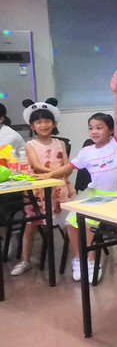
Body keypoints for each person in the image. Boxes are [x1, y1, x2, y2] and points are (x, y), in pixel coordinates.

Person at [39, 72, 117, 282]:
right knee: (71, 221)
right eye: (91, 128)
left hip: (115, 196)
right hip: (94, 194)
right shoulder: (87, 151)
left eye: (99, 128)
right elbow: (68, 168)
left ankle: (92, 260)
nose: (94, 132)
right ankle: (79, 258)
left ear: (111, 131)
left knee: (87, 223)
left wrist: (115, 92)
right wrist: (48, 174)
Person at [11, 100, 76, 276]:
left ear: (54, 124)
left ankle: (77, 258)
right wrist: (58, 172)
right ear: (32, 125)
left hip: (60, 190)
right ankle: (25, 260)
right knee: (31, 225)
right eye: (39, 122)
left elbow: (68, 166)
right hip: (37, 192)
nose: (44, 125)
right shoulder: (30, 145)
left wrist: (67, 181)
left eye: (47, 121)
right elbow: (37, 165)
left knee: (70, 224)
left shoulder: (60, 143)